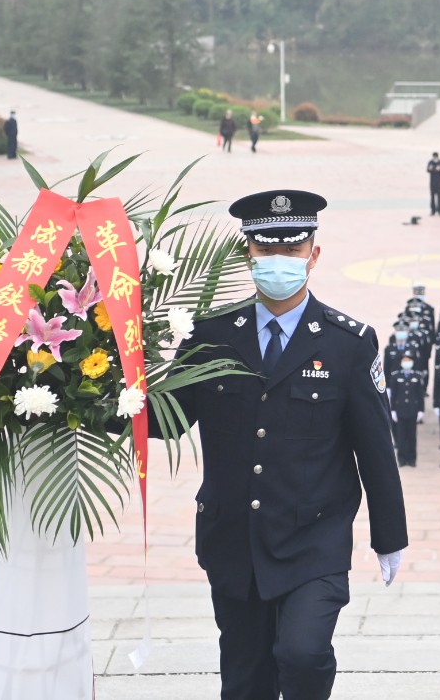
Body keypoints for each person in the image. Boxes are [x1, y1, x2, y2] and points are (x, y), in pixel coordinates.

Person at [159, 189, 407, 700]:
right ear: (247, 253)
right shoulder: (210, 336)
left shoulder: (348, 342)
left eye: (291, 251)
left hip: (313, 538)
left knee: (303, 653)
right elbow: (167, 421)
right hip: (234, 537)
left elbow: (375, 446)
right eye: (265, 250)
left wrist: (390, 535)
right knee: (245, 677)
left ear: (313, 255)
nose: (278, 262)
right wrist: (95, 385)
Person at [388, 355, 426, 468]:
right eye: (404, 361)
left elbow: (420, 395)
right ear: (401, 363)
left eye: (409, 360)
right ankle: (401, 458)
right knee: (401, 436)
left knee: (411, 436)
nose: (407, 362)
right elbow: (393, 395)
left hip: (412, 410)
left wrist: (421, 410)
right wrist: (393, 410)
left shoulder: (417, 376)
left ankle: (412, 458)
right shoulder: (396, 376)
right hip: (400, 410)